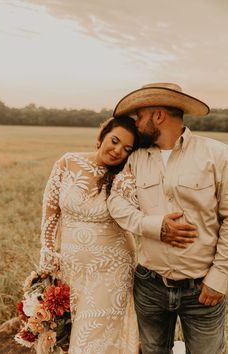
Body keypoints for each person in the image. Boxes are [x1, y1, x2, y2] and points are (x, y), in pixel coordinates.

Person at [107, 83, 228, 354]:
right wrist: (154, 227)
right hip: (149, 286)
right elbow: (116, 202)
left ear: (158, 115)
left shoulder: (217, 155)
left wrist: (219, 277)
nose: (136, 124)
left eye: (140, 117)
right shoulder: (135, 158)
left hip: (203, 290)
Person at [39, 116, 141, 354]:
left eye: (127, 149)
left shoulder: (125, 176)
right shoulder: (67, 162)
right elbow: (51, 210)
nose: (117, 151)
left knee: (93, 339)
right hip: (70, 267)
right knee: (67, 334)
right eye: (114, 141)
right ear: (102, 135)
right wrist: (47, 249)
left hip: (111, 269)